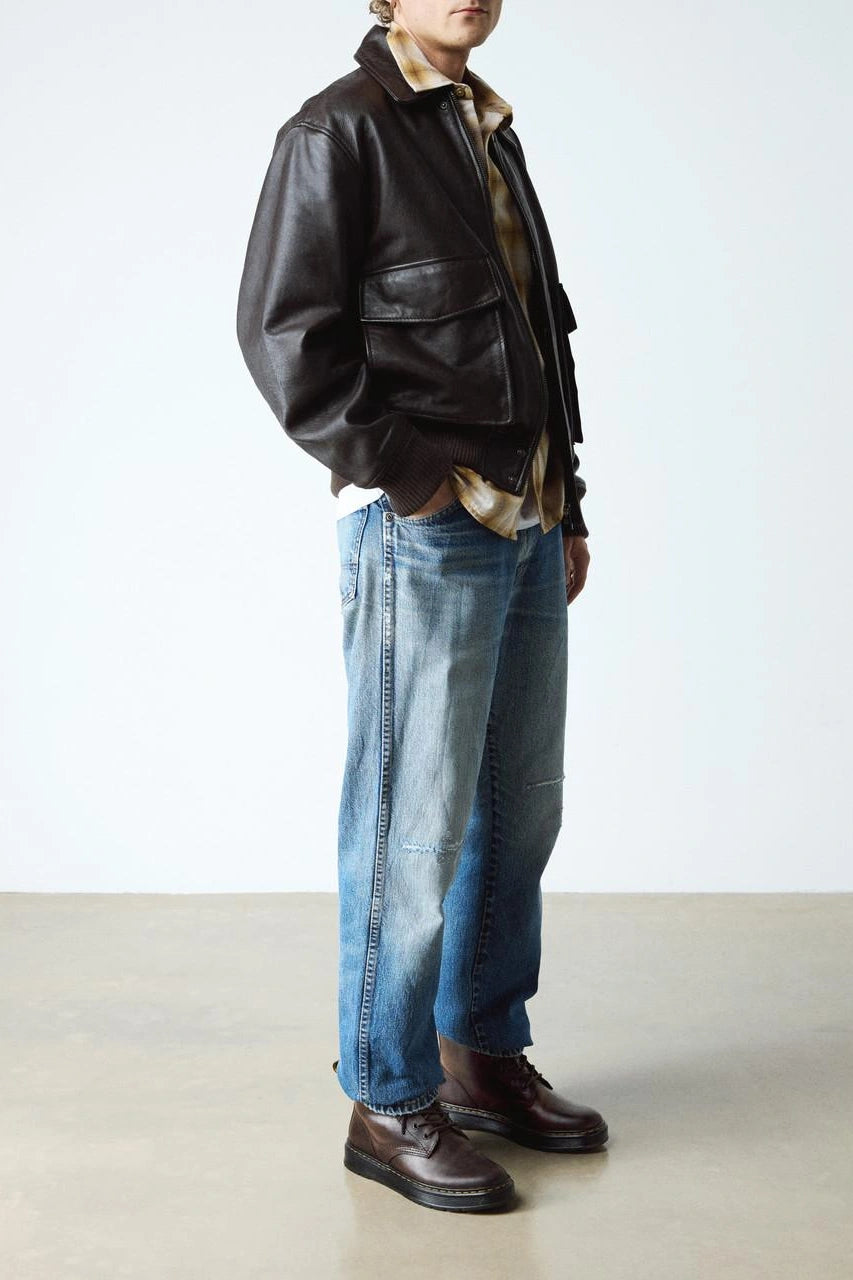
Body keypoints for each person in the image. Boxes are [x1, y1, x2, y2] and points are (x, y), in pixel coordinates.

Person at [236, 0, 608, 1213]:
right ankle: (387, 1099)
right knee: (411, 830)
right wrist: (412, 477)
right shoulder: (336, 132)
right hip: (430, 532)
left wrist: (569, 500)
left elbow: (537, 332)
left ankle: (479, 1053)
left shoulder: (485, 128)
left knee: (518, 811)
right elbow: (285, 336)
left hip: (527, 519)